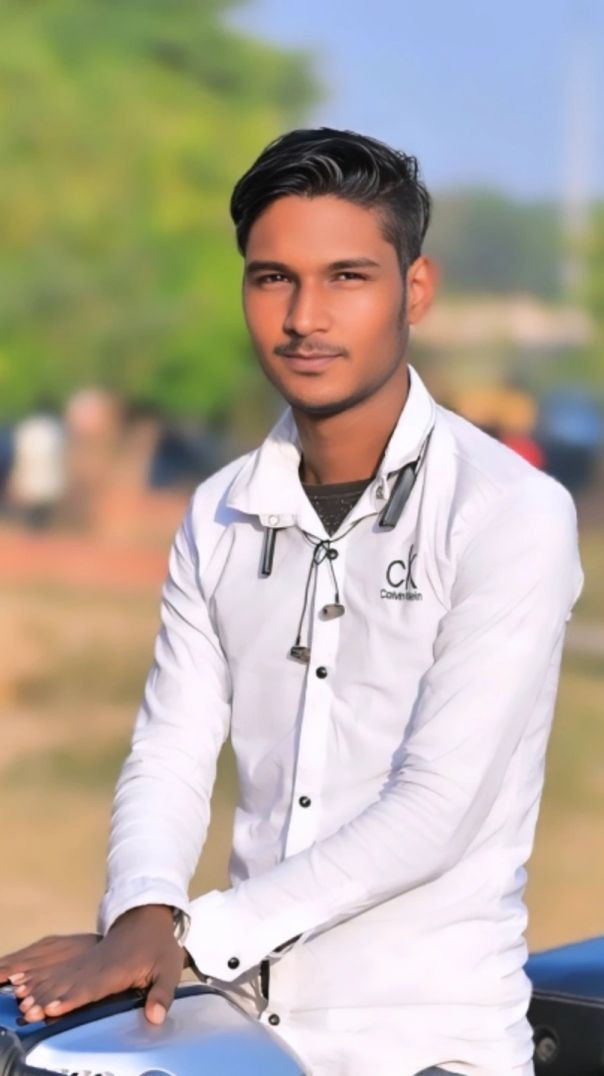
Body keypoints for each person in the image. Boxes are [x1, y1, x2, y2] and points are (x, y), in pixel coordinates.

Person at [0, 128, 584, 1076]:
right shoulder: (219, 509)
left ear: (416, 290)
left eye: (347, 277)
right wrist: (141, 909)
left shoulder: (509, 509)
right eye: (274, 278)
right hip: (245, 1031)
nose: (306, 317)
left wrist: (189, 937)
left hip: (432, 1046)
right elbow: (171, 748)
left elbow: (436, 808)